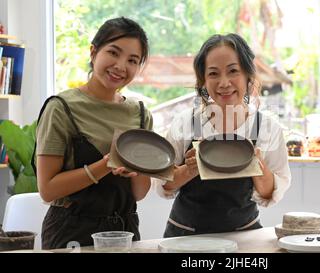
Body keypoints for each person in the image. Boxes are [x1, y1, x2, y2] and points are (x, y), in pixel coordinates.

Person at [156, 33, 291, 237]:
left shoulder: (266, 127)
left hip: (244, 237)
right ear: (203, 81)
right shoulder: (186, 122)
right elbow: (163, 184)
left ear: (248, 75)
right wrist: (190, 169)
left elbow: (268, 194)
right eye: (213, 74)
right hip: (185, 237)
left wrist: (258, 166)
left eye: (233, 71)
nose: (224, 82)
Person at [33, 17, 153, 249]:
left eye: (132, 60)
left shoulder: (140, 114)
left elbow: (139, 193)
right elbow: (47, 190)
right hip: (71, 233)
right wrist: (105, 165)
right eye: (113, 53)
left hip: (125, 231)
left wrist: (135, 169)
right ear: (93, 52)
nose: (120, 66)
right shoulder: (61, 107)